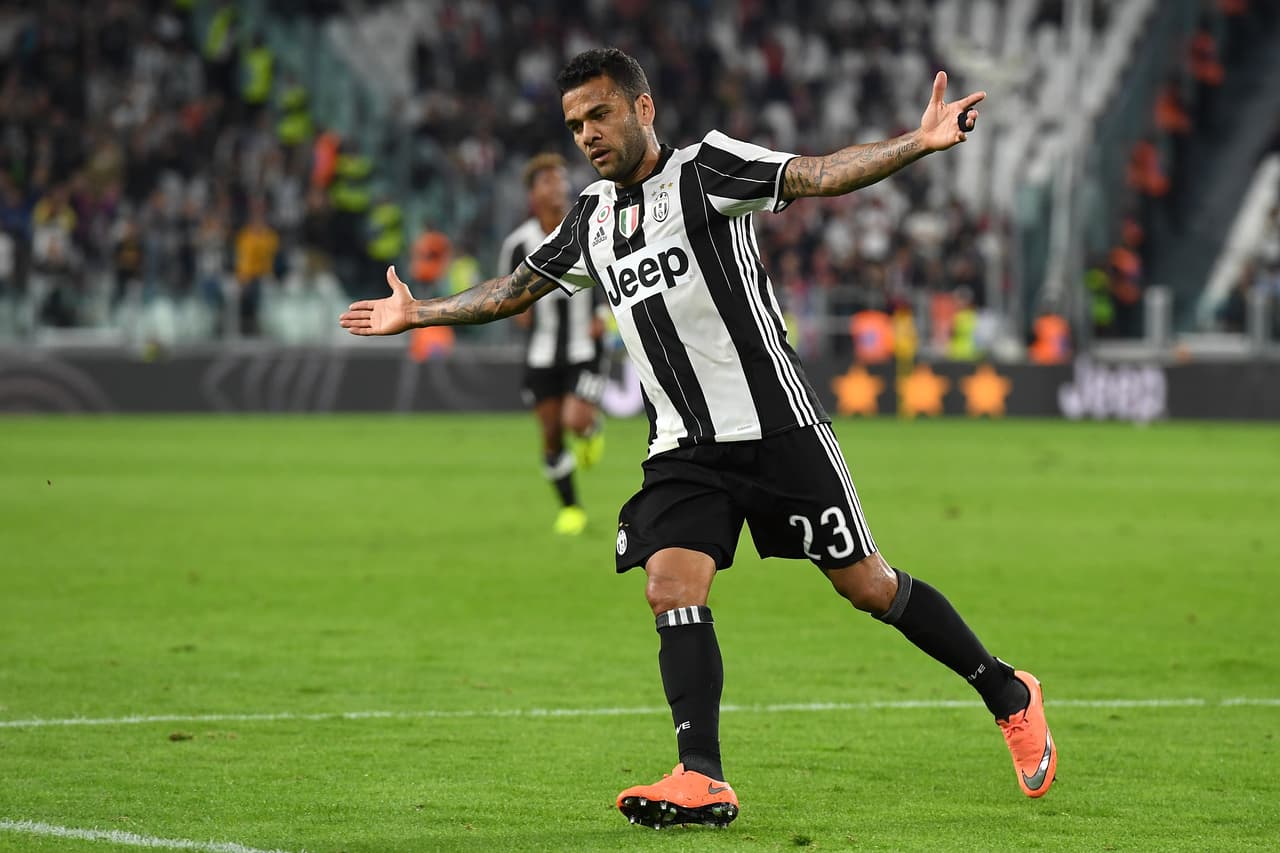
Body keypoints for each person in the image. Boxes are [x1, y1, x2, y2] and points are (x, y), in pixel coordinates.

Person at [340, 48, 1056, 829]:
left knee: (867, 585)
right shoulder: (591, 218)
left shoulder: (708, 170)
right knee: (669, 585)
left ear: (643, 109)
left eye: (600, 114)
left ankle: (1006, 691)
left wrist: (915, 143)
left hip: (777, 428)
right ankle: (700, 774)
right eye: (575, 123)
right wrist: (422, 313)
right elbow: (515, 289)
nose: (586, 134)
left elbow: (817, 174)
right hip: (682, 447)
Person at [499, 153, 608, 536]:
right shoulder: (518, 244)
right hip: (541, 353)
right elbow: (508, 295)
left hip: (584, 348)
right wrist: (519, 311)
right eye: (547, 181)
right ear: (533, 194)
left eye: (561, 179)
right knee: (549, 433)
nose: (558, 186)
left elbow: (608, 273)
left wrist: (602, 314)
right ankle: (571, 508)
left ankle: (590, 431)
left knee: (575, 420)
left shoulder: (587, 228)